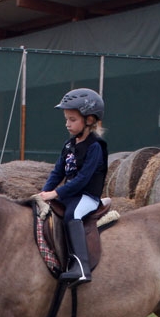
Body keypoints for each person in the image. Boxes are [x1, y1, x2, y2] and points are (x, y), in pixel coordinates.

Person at [39, 87, 108, 287]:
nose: (67, 124)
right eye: (66, 119)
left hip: (87, 196)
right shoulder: (69, 145)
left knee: (72, 215)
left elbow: (83, 179)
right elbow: (57, 172)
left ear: (89, 120)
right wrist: (44, 192)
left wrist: (56, 192)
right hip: (70, 195)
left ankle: (81, 267)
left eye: (73, 119)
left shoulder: (95, 146)